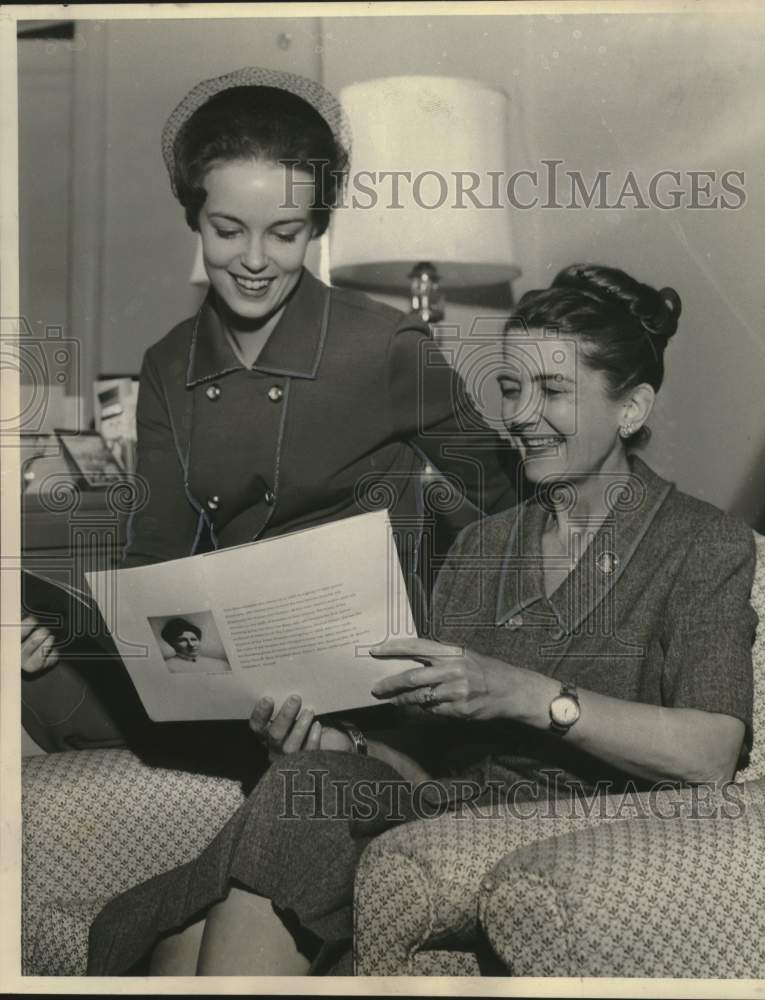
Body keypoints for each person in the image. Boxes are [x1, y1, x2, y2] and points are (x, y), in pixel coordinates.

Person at [87, 263, 757, 977]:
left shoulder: (699, 543)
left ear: (631, 409)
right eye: (511, 387)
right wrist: (340, 745)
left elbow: (711, 751)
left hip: (585, 829)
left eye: (554, 391)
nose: (522, 414)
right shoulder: (482, 543)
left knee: (191, 928)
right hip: (455, 806)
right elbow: (428, 759)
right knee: (297, 789)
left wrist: (534, 697)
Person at [20, 67, 518, 747]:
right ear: (194, 215)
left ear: (317, 226)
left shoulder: (386, 346)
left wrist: (468, 641)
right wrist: (74, 633)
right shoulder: (170, 363)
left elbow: (511, 502)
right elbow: (156, 557)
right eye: (228, 230)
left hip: (368, 683)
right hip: (233, 677)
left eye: (284, 234)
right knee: (32, 673)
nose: (254, 260)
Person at [159, 617, 230, 675]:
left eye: (193, 639)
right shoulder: (167, 667)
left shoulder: (220, 664)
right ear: (172, 644)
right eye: (183, 640)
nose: (191, 644)